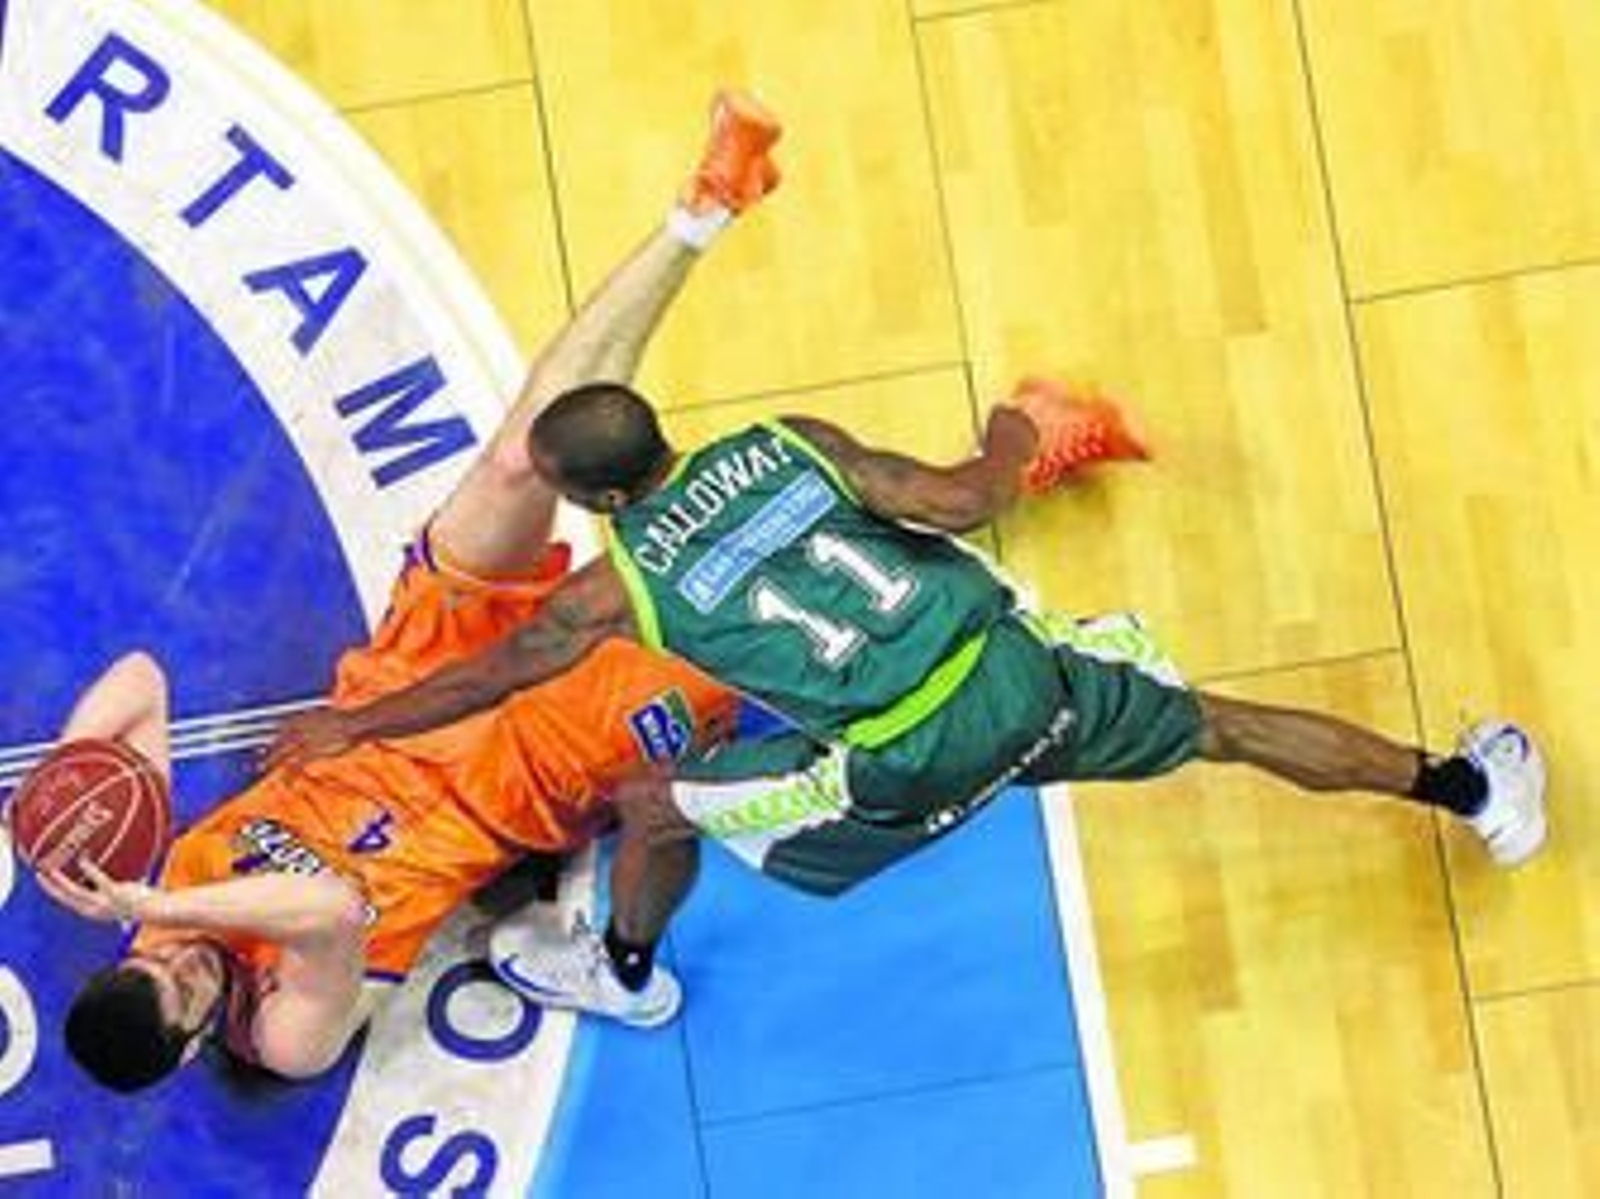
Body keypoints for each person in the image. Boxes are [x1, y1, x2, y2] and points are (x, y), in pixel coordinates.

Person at [263, 105, 1548, 1031]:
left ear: (595, 501)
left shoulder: (616, 591)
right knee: (1218, 725)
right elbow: (956, 501)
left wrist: (352, 723)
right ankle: (1471, 787)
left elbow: (481, 676)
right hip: (1019, 675)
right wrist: (1016, 426)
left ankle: (628, 972)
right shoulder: (791, 445)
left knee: (656, 803)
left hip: (892, 760)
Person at [25, 92, 793, 1090]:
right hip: (525, 763)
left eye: (149, 959)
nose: (172, 955)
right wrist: (167, 911)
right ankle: (997, 480)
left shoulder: (151, 890)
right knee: (731, 578)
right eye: (177, 983)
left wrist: (61, 790)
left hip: (409, 673)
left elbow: (138, 681)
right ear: (190, 1039)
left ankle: (708, 204)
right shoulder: (282, 1032)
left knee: (526, 453)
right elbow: (332, 915)